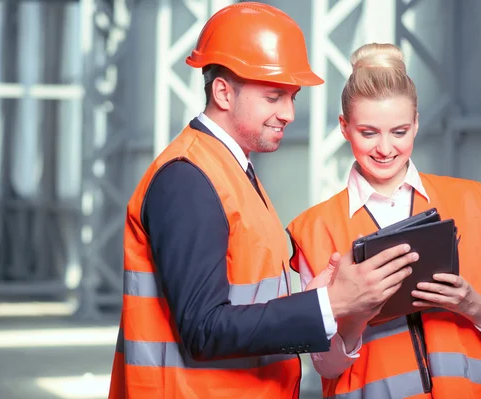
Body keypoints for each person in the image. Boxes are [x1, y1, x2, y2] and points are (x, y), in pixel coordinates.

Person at [107, 4, 420, 399]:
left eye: (292, 97)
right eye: (274, 96)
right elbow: (204, 328)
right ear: (223, 91)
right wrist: (328, 304)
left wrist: (311, 300)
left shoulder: (232, 171)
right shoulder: (187, 178)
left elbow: (243, 300)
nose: (288, 113)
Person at [287, 43, 481, 399]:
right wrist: (355, 316)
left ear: (415, 124)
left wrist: (470, 304)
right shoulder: (315, 228)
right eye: (369, 132)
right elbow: (324, 365)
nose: (385, 148)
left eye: (399, 131)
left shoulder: (468, 200)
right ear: (344, 127)